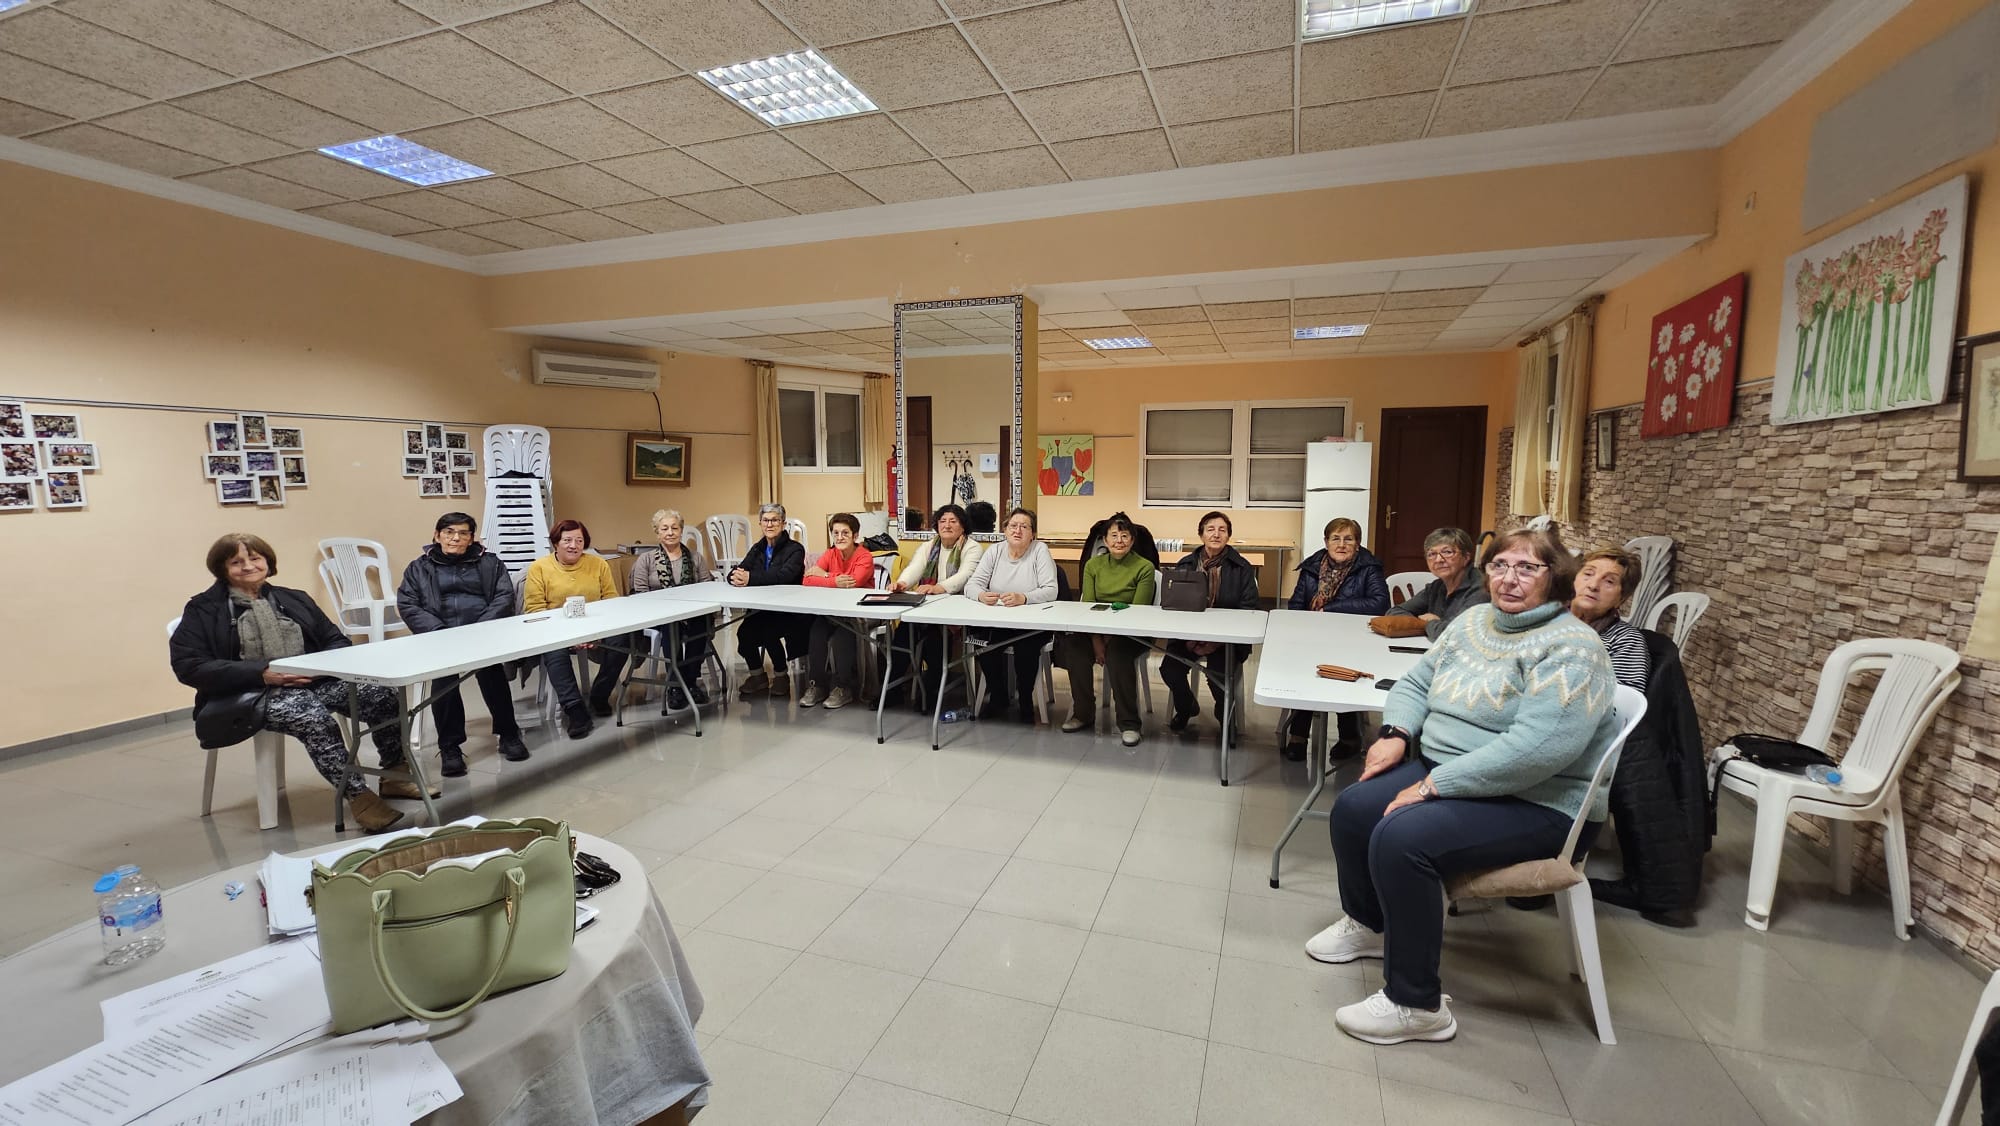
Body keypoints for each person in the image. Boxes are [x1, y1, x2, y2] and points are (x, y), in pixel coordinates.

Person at [1302, 528, 1617, 1046]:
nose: (1510, 579)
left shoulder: (1573, 648)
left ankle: (1416, 1005)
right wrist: (1397, 732)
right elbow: (1416, 683)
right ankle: (1371, 924)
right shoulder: (1473, 621)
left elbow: (1538, 751)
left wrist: (1434, 786)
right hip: (1450, 769)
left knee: (1402, 838)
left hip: (1539, 800)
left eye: (1527, 568)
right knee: (1354, 809)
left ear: (1555, 577)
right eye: (1500, 566)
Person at [170, 534, 417, 832]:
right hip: (251, 692)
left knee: (381, 695)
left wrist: (316, 669)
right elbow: (189, 665)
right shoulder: (203, 610)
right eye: (236, 562)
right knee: (312, 716)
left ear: (267, 562)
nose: (248, 566)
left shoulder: (294, 598)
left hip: (312, 682)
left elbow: (336, 641)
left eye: (255, 558)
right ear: (222, 569)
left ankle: (395, 773)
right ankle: (358, 796)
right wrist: (261, 673)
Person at [395, 512, 526, 777]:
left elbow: (504, 597)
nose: (455, 538)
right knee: (444, 681)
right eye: (449, 532)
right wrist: (438, 631)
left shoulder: (490, 563)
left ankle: (509, 734)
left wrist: (481, 628)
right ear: (437, 536)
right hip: (440, 637)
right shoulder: (418, 568)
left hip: (482, 634)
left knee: (493, 674)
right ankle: (450, 747)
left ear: (472, 538)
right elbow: (408, 604)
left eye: (463, 533)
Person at [1283, 517, 1390, 760]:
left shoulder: (1369, 567)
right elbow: (1296, 604)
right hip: (1313, 637)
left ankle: (1349, 738)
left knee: (1344, 671)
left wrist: (1331, 608)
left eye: (1348, 539)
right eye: (1336, 538)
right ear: (1326, 542)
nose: (1342, 544)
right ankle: (1298, 735)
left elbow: (1379, 603)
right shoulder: (1312, 567)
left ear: (1358, 543)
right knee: (1305, 670)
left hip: (1354, 640)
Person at [1059, 512, 1155, 747]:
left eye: (1125, 536)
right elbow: (1089, 606)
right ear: (1105, 539)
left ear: (1132, 540)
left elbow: (1138, 611)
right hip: (1097, 628)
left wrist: (1108, 640)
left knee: (1118, 654)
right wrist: (1096, 640)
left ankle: (1129, 723)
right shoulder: (1093, 565)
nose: (1119, 541)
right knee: (1074, 647)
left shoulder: (1144, 567)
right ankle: (1083, 713)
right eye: (1114, 535)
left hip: (1132, 631)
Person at [1161, 511, 1260, 736]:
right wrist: (1189, 639)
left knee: (1219, 675)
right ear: (1201, 535)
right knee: (1170, 669)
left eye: (1222, 530)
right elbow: (1174, 605)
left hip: (1227, 640)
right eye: (1210, 529)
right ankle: (1186, 707)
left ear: (1228, 536)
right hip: (1188, 636)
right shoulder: (1186, 564)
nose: (1216, 534)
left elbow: (1249, 610)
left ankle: (1224, 715)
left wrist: (1215, 642)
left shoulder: (1241, 568)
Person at [523, 519, 623, 738]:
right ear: (555, 543)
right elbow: (535, 609)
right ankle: (574, 708)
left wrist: (596, 632)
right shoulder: (539, 567)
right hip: (555, 630)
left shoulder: (598, 564)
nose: (573, 545)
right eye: (567, 540)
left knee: (622, 640)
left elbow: (611, 601)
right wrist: (568, 636)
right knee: (553, 649)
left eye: (579, 540)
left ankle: (600, 695)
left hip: (595, 626)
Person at [964, 506, 1059, 721]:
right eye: (1013, 526)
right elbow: (972, 585)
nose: (1017, 530)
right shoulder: (995, 551)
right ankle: (998, 697)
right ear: (1005, 530)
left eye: (1024, 527)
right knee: (985, 645)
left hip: (1032, 623)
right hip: (999, 620)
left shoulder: (1039, 550)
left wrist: (1023, 598)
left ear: (1032, 533)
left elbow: (1051, 590)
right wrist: (981, 595)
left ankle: (1026, 700)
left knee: (1026, 649)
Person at [889, 503, 984, 708]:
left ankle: (932, 692)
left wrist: (939, 587)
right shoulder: (930, 545)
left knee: (935, 637)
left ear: (963, 526)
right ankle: (892, 689)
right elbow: (915, 567)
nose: (947, 525)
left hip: (958, 608)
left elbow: (965, 576)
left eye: (953, 521)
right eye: (942, 521)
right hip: (928, 605)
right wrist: (902, 583)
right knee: (903, 633)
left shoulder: (972, 547)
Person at [628, 508, 717, 711]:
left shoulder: (695, 557)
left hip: (692, 613)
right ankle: (675, 685)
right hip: (658, 616)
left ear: (681, 531)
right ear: (657, 533)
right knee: (671, 625)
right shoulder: (646, 559)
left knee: (701, 623)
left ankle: (691, 681)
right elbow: (639, 593)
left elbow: (708, 586)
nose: (670, 532)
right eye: (665, 528)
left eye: (674, 528)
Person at [799, 512, 876, 710]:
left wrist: (824, 576)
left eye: (845, 533)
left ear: (855, 536)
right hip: (833, 611)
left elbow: (853, 582)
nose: (840, 537)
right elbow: (807, 580)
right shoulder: (830, 553)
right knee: (816, 631)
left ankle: (844, 687)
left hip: (858, 614)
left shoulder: (864, 556)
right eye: (836, 533)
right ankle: (817, 685)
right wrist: (832, 579)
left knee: (843, 635)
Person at [730, 503, 808, 698]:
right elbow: (742, 568)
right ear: (760, 523)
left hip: (788, 609)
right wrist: (734, 576)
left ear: (783, 524)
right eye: (765, 520)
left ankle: (781, 675)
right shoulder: (758, 548)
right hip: (761, 608)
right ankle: (758, 676)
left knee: (768, 632)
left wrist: (750, 578)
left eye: (774, 520)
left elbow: (784, 576)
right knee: (744, 634)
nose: (769, 524)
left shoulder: (795, 549)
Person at [1382, 527, 1487, 640]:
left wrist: (1430, 623)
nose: (1438, 560)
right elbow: (1394, 611)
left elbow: (1455, 636)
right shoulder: (1436, 586)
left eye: (1447, 552)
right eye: (1431, 554)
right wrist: (1425, 623)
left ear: (1466, 557)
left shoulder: (1481, 588)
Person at [1569, 547, 1648, 692]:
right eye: (1588, 574)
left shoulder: (1625, 640)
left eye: (1609, 581)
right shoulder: (1543, 617)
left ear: (1621, 599)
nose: (1593, 585)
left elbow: (1622, 699)